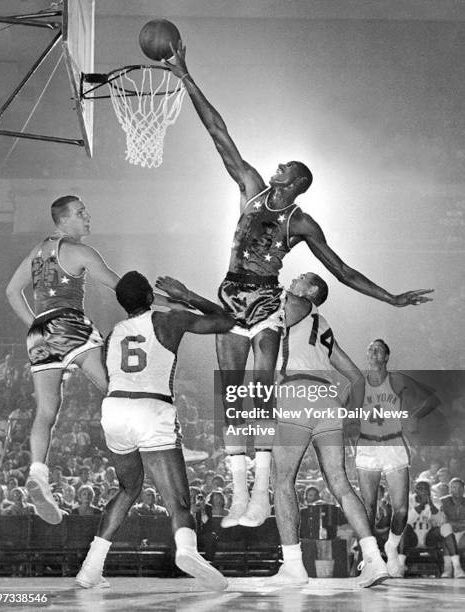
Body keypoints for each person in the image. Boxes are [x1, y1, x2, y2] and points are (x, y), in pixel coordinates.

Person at [164, 45, 434, 528]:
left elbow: (342, 270)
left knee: (261, 391)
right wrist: (186, 77)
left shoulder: (300, 222)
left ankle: (264, 492)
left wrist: (390, 298)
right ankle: (240, 490)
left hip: (267, 298)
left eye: (286, 167)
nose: (277, 166)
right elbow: (218, 132)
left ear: (295, 183)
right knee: (231, 393)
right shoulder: (249, 187)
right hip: (230, 293)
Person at [75, 272, 234, 591]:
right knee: (178, 502)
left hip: (115, 410)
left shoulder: (114, 332)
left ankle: (91, 568)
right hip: (152, 409)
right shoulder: (169, 320)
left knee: (128, 488)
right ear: (150, 297)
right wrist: (187, 295)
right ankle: (188, 551)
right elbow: (226, 321)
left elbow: (111, 373)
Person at [5, 195, 119, 525]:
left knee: (46, 411)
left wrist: (36, 325)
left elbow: (12, 292)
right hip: (70, 322)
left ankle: (37, 473)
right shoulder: (79, 251)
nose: (87, 216)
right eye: (80, 213)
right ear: (62, 221)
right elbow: (117, 284)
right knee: (113, 388)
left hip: (40, 330)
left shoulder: (37, 252)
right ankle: (154, 441)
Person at [270, 272, 388, 587]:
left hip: (298, 392)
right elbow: (357, 378)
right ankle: (374, 559)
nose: (294, 279)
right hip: (327, 400)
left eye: (301, 278)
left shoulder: (297, 305)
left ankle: (293, 566)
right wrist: (349, 417)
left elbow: (264, 289)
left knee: (281, 481)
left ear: (311, 292)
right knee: (341, 484)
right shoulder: (324, 328)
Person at [355, 339, 441, 577]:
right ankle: (370, 558)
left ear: (386, 357)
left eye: (378, 350)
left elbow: (432, 400)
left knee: (401, 509)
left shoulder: (397, 379)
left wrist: (414, 415)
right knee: (368, 507)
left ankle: (391, 548)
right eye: (370, 349)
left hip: (393, 443)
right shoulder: (358, 382)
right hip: (367, 446)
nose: (373, 352)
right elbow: (340, 411)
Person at [439, 477, 465, 578]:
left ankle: (449, 568)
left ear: (464, 489)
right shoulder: (443, 501)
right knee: (447, 531)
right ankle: (450, 568)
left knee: (449, 534)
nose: (457, 490)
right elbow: (442, 520)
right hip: (449, 531)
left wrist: (459, 525)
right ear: (450, 489)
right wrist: (457, 524)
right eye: (454, 487)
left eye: (460, 487)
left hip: (463, 532)